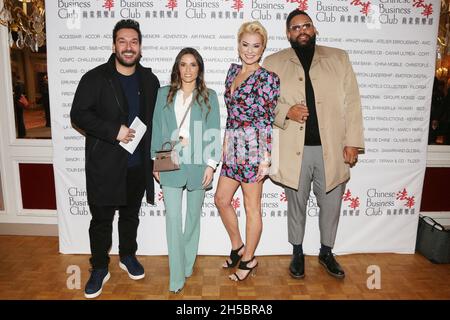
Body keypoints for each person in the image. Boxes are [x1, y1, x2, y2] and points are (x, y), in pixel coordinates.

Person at [263, 9, 364, 279]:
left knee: (331, 203)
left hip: (331, 148)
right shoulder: (273, 62)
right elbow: (262, 106)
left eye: (306, 25)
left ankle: (326, 252)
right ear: (288, 34)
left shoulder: (338, 58)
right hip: (293, 150)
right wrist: (286, 112)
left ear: (314, 28)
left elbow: (352, 102)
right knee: (296, 204)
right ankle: (297, 252)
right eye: (295, 28)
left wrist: (353, 141)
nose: (302, 30)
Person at [70, 19, 160, 298]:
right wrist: (113, 131)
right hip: (105, 166)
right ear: (113, 45)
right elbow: (79, 115)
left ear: (140, 47)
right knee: (101, 220)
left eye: (134, 41)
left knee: (130, 215)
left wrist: (157, 156)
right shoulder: (95, 78)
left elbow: (156, 122)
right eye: (122, 41)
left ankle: (127, 255)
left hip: (137, 165)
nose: (128, 47)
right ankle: (99, 267)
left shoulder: (150, 80)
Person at [151, 47, 221, 293]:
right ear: (177, 67)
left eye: (193, 64)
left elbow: (213, 130)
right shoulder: (163, 94)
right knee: (172, 219)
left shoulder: (209, 96)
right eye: (183, 64)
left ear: (199, 68)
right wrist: (154, 160)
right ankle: (176, 275)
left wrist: (212, 166)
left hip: (199, 164)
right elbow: (157, 127)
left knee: (192, 218)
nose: (188, 69)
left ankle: (187, 263)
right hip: (170, 162)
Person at [214, 21, 280, 282]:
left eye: (256, 45)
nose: (250, 50)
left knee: (252, 208)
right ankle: (238, 247)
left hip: (254, 150)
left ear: (263, 48)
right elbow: (231, 114)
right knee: (221, 199)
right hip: (233, 148)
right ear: (238, 45)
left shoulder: (268, 78)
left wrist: (266, 158)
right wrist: (224, 143)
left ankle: (249, 258)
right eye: (245, 44)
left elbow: (267, 119)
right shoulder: (232, 72)